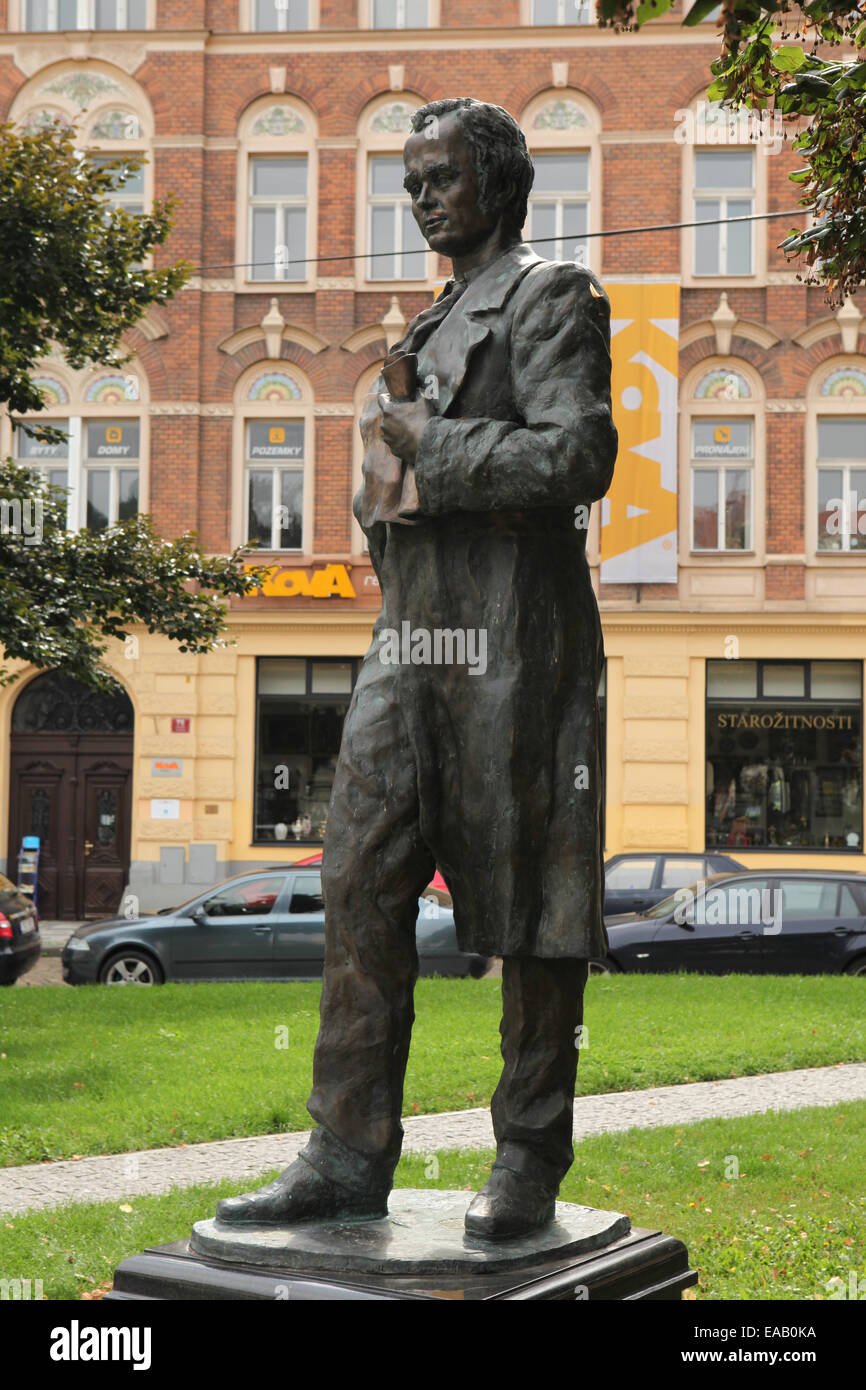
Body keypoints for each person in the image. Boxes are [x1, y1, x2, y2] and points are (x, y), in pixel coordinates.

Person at [218, 97, 617, 1241]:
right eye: (410, 180)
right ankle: (345, 1153)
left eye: (439, 176)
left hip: (514, 632)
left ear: (498, 181)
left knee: (533, 903)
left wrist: (420, 443)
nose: (419, 196)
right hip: (413, 631)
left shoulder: (548, 296)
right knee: (358, 875)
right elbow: (398, 479)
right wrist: (380, 475)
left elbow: (578, 453)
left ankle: (527, 1156)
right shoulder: (431, 321)